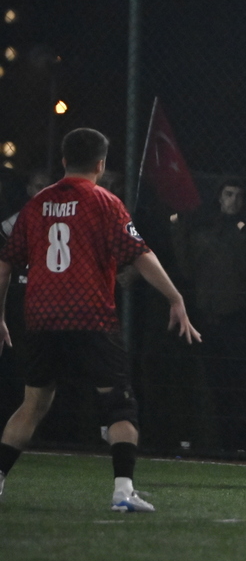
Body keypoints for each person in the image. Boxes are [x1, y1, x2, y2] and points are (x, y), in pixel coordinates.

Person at [0, 128, 201, 511]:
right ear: (100, 164)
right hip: (89, 316)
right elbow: (140, 254)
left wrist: (0, 317)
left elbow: (4, 264)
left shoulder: (37, 204)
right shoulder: (104, 202)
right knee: (119, 405)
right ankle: (123, 492)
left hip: (41, 318)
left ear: (64, 160)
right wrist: (175, 297)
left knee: (33, 404)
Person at [170, 178, 246, 451]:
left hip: (239, 318)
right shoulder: (205, 231)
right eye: (229, 194)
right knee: (209, 381)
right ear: (219, 197)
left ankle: (238, 441)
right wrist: (177, 229)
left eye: (238, 195)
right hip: (206, 317)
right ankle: (211, 439)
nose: (233, 201)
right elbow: (187, 269)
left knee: (239, 381)